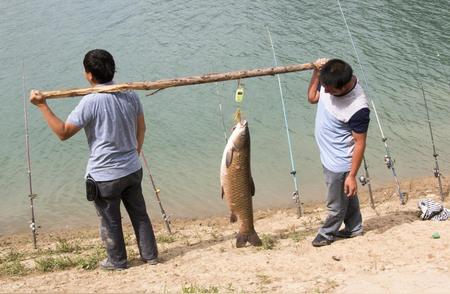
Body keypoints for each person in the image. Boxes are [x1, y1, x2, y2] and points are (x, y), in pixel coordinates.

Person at [30, 49, 158, 269]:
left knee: (110, 220)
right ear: (112, 69)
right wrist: (134, 153)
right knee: (140, 215)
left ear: (89, 75)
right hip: (132, 169)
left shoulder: (90, 102)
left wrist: (42, 106)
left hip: (105, 176)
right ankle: (151, 256)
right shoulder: (130, 94)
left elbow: (63, 133)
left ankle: (117, 261)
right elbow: (142, 128)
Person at [307, 58, 370, 247]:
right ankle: (354, 227)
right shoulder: (331, 82)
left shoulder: (358, 108)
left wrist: (352, 175)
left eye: (329, 90)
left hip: (340, 163)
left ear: (342, 88)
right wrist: (316, 73)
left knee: (335, 204)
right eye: (323, 86)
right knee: (346, 195)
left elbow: (360, 143)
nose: (324, 91)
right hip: (328, 156)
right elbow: (312, 98)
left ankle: (327, 234)